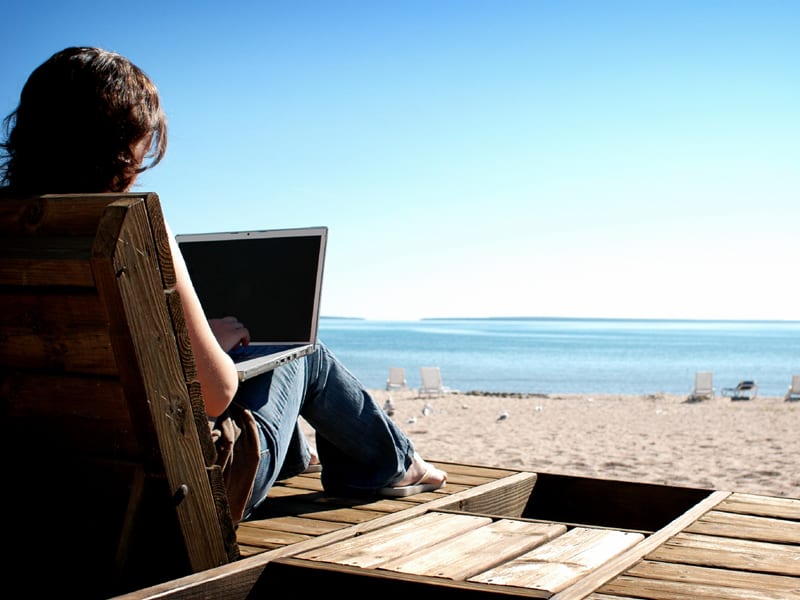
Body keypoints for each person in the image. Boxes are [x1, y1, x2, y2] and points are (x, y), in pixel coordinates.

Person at [0, 46, 446, 521]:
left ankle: (297, 458)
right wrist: (211, 342)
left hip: (47, 483)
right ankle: (389, 465)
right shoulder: (134, 228)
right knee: (304, 352)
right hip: (184, 493)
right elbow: (214, 395)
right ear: (126, 144)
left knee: (261, 358)